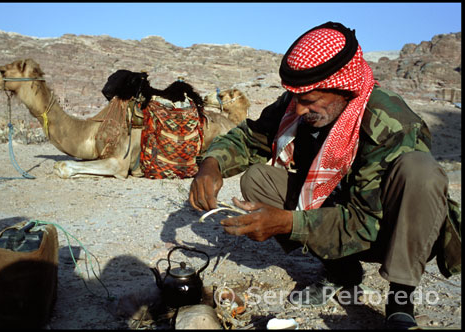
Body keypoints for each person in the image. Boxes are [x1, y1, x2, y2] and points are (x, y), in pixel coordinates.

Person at [189, 22, 461, 329]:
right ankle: (341, 273)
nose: (301, 111)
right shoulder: (300, 104)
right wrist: (212, 164)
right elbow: (251, 137)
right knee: (257, 179)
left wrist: (286, 222)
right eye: (298, 101)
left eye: (310, 101)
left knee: (420, 171)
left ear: (344, 88)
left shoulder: (392, 123)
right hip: (336, 212)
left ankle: (401, 298)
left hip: (388, 229)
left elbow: (365, 223)